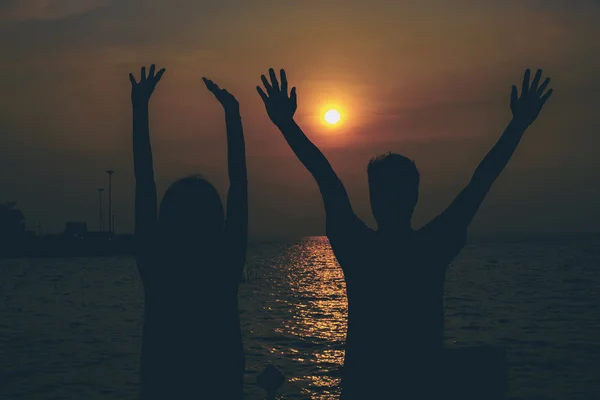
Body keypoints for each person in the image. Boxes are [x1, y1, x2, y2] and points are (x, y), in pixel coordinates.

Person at [257, 68, 552, 398]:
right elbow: (480, 182)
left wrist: (285, 123)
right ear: (414, 196)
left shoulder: (359, 249)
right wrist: (518, 125)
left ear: (373, 199)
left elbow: (326, 178)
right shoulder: (431, 248)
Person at [130, 64, 248, 399]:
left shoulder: (157, 266)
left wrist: (140, 109)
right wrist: (233, 116)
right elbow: (239, 186)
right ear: (216, 220)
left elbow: (145, 183)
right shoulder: (224, 266)